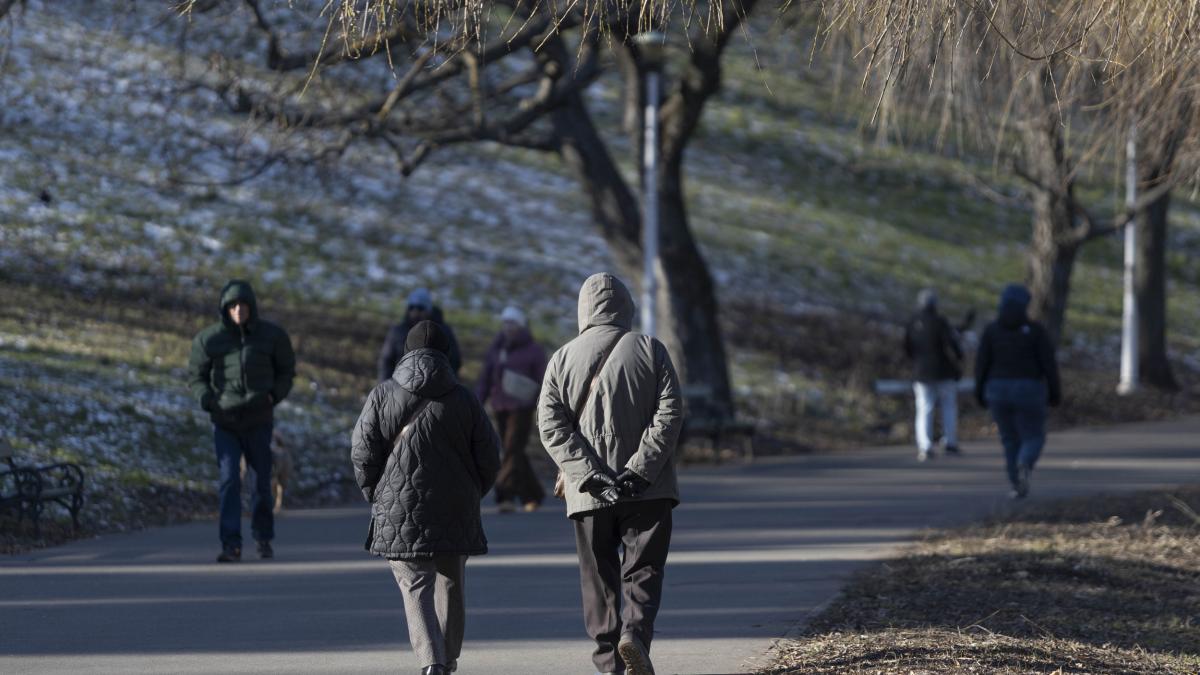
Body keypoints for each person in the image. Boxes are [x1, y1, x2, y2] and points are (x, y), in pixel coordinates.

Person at [537, 273, 683, 675]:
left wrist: (586, 474)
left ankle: (608, 662)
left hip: (589, 493)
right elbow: (670, 413)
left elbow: (551, 426)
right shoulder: (650, 349)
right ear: (626, 306)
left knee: (598, 577)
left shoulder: (561, 358)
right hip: (648, 489)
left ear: (583, 309)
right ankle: (634, 635)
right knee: (644, 568)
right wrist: (641, 467)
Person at [352, 320, 501, 675]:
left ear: (406, 352)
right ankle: (447, 659)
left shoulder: (383, 394)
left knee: (415, 584)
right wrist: (473, 493)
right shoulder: (464, 399)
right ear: (446, 354)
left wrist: (378, 494)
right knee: (451, 583)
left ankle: (431, 662)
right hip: (456, 507)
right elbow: (490, 456)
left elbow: (362, 452)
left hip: (399, 507)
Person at [188, 279, 295, 563]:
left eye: (243, 305)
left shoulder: (271, 336)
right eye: (232, 306)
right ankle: (231, 544)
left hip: (259, 419)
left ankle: (263, 537)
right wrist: (208, 400)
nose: (238, 310)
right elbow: (197, 376)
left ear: (251, 307)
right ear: (225, 309)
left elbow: (286, 370)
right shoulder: (209, 339)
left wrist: (273, 395)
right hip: (225, 421)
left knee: (261, 482)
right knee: (229, 480)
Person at [974, 284, 1062, 499]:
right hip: (1029, 389)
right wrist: (1054, 392)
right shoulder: (1035, 331)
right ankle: (1025, 460)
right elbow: (1048, 364)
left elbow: (981, 364)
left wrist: (979, 391)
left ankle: (1016, 482)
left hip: (997, 390)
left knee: (1009, 438)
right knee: (1034, 435)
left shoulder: (991, 330)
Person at [476, 305, 549, 513]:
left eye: (512, 323)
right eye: (505, 323)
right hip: (500, 406)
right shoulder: (497, 348)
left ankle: (505, 495)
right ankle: (533, 494)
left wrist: (543, 405)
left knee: (511, 449)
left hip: (522, 407)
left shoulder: (533, 350)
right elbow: (486, 378)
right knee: (514, 452)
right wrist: (477, 403)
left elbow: (544, 380)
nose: (508, 327)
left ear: (521, 325)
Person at [903, 288, 964, 461]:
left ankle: (925, 446)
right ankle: (950, 442)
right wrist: (959, 358)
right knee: (948, 406)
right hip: (944, 372)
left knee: (924, 408)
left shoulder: (913, 322)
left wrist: (917, 362)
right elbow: (952, 344)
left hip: (921, 372)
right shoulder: (940, 321)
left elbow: (907, 348)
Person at [378, 288, 462, 382]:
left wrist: (445, 385)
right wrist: (386, 386)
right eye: (411, 307)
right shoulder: (398, 331)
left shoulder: (443, 332)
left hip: (434, 386)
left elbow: (454, 361)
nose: (415, 312)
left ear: (429, 310)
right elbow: (386, 362)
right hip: (400, 385)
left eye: (420, 308)